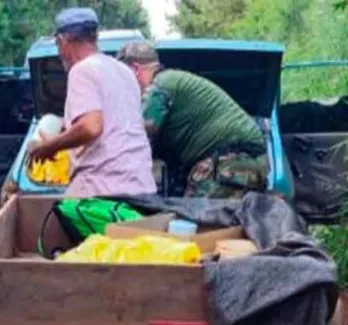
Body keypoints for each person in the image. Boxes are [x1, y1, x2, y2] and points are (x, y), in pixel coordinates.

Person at [22, 8, 155, 199]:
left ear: (63, 41)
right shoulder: (123, 71)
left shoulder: (82, 70)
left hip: (104, 193)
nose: (59, 54)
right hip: (142, 188)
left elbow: (91, 127)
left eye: (58, 46)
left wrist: (50, 146)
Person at [117, 41, 269, 198]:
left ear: (135, 69)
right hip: (246, 158)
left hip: (231, 159)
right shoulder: (171, 80)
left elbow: (139, 139)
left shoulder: (159, 86)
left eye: (122, 75)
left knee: (193, 216)